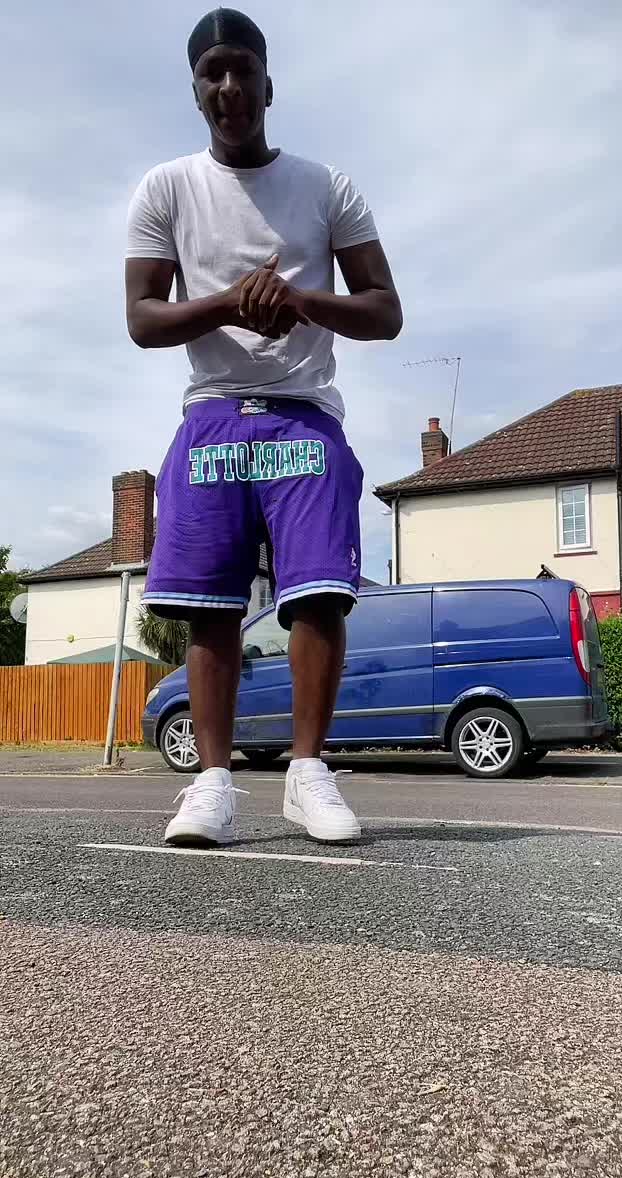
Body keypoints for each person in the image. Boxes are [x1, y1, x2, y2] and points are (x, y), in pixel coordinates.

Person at [125, 8, 402, 847]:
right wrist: (231, 302)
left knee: (317, 595)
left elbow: (384, 310)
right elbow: (142, 317)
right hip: (212, 411)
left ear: (268, 84)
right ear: (195, 92)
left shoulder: (326, 186)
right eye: (212, 73)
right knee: (209, 607)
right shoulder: (166, 188)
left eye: (242, 69)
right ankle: (212, 785)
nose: (229, 86)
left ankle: (308, 774)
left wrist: (299, 300)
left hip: (303, 413)